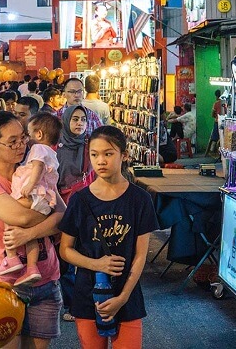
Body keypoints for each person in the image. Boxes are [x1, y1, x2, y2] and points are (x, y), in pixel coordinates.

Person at [0, 112, 65, 347]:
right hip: (3, 282)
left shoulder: (32, 169)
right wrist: (47, 212)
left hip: (45, 277)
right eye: (12, 142)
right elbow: (20, 216)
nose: (21, 146)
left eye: (23, 138)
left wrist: (31, 233)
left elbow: (64, 216)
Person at [59, 126, 158, 347]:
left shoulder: (140, 199)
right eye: (94, 155)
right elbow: (65, 249)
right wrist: (97, 264)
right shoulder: (80, 200)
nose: (100, 161)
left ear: (124, 155)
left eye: (108, 154)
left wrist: (123, 298)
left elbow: (140, 255)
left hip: (127, 293)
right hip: (88, 293)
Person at [0, 112, 62, 287]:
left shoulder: (38, 148)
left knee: (12, 220)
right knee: (29, 232)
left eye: (27, 136)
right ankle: (32, 268)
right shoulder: (53, 153)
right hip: (44, 198)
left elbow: (38, 167)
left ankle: (11, 257)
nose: (24, 142)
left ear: (38, 135)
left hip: (34, 195)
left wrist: (30, 185)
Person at [56, 104, 94, 322]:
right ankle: (71, 304)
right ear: (66, 121)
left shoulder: (90, 146)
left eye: (83, 119)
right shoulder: (57, 146)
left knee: (86, 255)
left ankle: (84, 302)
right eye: (75, 119)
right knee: (66, 257)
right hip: (62, 206)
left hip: (86, 207)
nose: (79, 123)